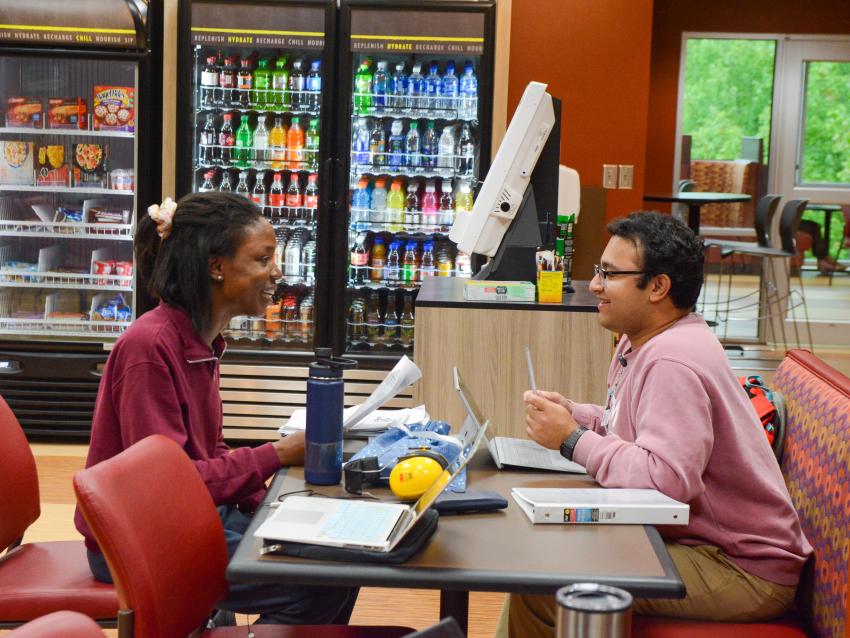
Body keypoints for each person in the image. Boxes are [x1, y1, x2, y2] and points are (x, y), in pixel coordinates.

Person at [498, 211, 812, 637]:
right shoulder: (643, 339)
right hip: (702, 545)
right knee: (538, 570)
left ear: (658, 286)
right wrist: (578, 416)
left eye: (609, 274)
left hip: (740, 568)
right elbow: (632, 429)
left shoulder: (672, 361)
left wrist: (572, 439)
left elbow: (666, 481)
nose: (594, 285)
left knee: (544, 586)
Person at [74, 192, 359, 626]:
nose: (277, 272)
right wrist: (275, 455)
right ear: (216, 267)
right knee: (318, 578)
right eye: (263, 259)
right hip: (144, 540)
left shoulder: (200, 340)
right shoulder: (150, 349)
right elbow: (167, 491)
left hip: (188, 520)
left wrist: (270, 505)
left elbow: (207, 455)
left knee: (339, 560)